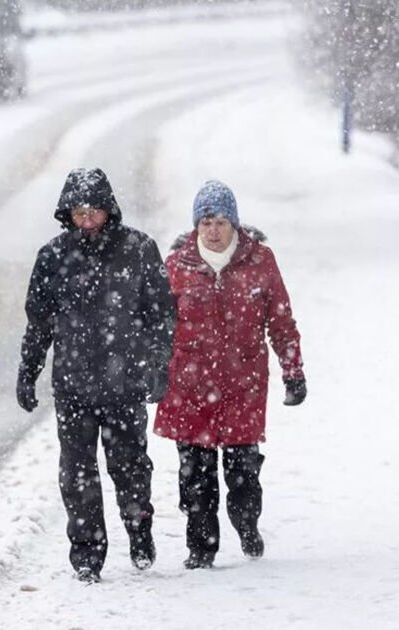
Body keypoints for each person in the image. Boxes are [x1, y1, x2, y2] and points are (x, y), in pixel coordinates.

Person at [16, 167, 176, 583]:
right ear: (67, 214)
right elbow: (39, 323)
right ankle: (87, 553)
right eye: (78, 213)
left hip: (125, 383)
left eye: (93, 212)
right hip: (73, 386)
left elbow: (161, 315)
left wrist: (158, 365)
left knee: (131, 468)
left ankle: (139, 529)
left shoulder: (139, 250)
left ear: (109, 210)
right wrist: (28, 371)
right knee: (77, 474)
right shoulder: (53, 257)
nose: (86, 220)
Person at [154, 179, 306, 570]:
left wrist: (293, 371)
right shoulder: (176, 266)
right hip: (189, 387)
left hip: (243, 385)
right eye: (206, 222)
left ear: (234, 224)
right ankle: (201, 548)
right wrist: (151, 374)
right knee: (195, 478)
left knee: (243, 477)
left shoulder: (260, 261)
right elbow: (157, 329)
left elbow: (281, 321)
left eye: (221, 222)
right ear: (196, 226)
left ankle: (246, 524)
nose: (213, 231)